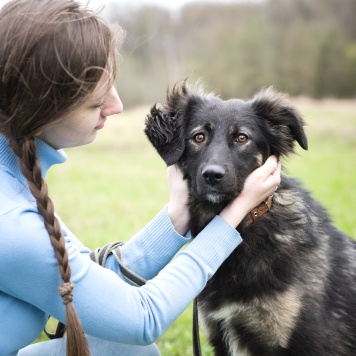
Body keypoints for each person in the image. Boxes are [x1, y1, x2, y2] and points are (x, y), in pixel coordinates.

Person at [0, 0, 281, 355]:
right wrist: (233, 215)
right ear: (41, 104)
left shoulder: (13, 183)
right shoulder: (9, 219)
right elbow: (140, 318)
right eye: (95, 102)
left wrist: (178, 213)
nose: (116, 106)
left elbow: (96, 283)